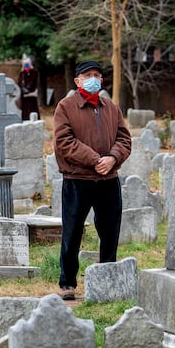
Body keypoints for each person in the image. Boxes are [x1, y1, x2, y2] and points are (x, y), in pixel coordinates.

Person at [53, 61, 131, 301]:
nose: (93, 78)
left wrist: (113, 158)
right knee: (72, 231)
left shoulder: (111, 108)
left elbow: (124, 138)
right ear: (77, 80)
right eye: (88, 75)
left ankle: (107, 279)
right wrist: (96, 159)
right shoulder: (66, 107)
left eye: (97, 75)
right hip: (78, 179)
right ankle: (67, 283)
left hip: (108, 179)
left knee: (109, 232)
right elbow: (64, 141)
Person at [17, 56, 40, 120]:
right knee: (25, 112)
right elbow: (20, 82)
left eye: (27, 64)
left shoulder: (34, 72)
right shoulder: (22, 73)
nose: (26, 65)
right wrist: (23, 89)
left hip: (32, 96)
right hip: (24, 97)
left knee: (33, 110)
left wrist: (28, 89)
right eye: (25, 64)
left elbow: (33, 82)